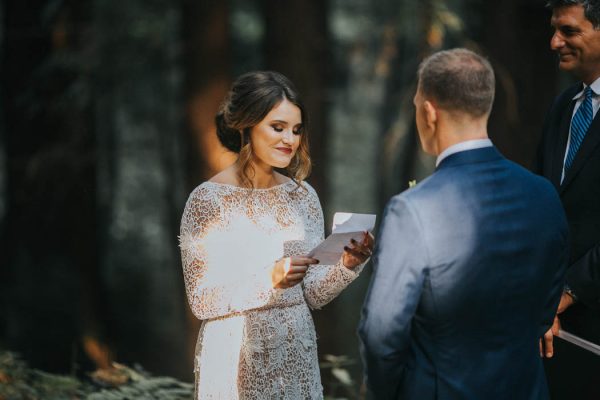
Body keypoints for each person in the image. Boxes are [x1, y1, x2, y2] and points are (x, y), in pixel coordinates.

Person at [358, 48, 569, 399]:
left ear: (429, 112)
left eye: (415, 107)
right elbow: (546, 305)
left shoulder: (413, 209)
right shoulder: (543, 194)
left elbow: (380, 333)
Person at [179, 71, 374, 399]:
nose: (290, 140)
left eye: (296, 130)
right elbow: (201, 300)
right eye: (278, 127)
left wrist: (347, 264)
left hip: (296, 357)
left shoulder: (304, 196)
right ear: (247, 125)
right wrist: (268, 279)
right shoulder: (207, 199)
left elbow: (311, 293)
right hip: (233, 357)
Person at [536, 0, 600, 397]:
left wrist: (567, 294)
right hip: (552, 333)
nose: (555, 41)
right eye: (555, 29)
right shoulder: (563, 108)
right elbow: (542, 209)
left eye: (570, 31)